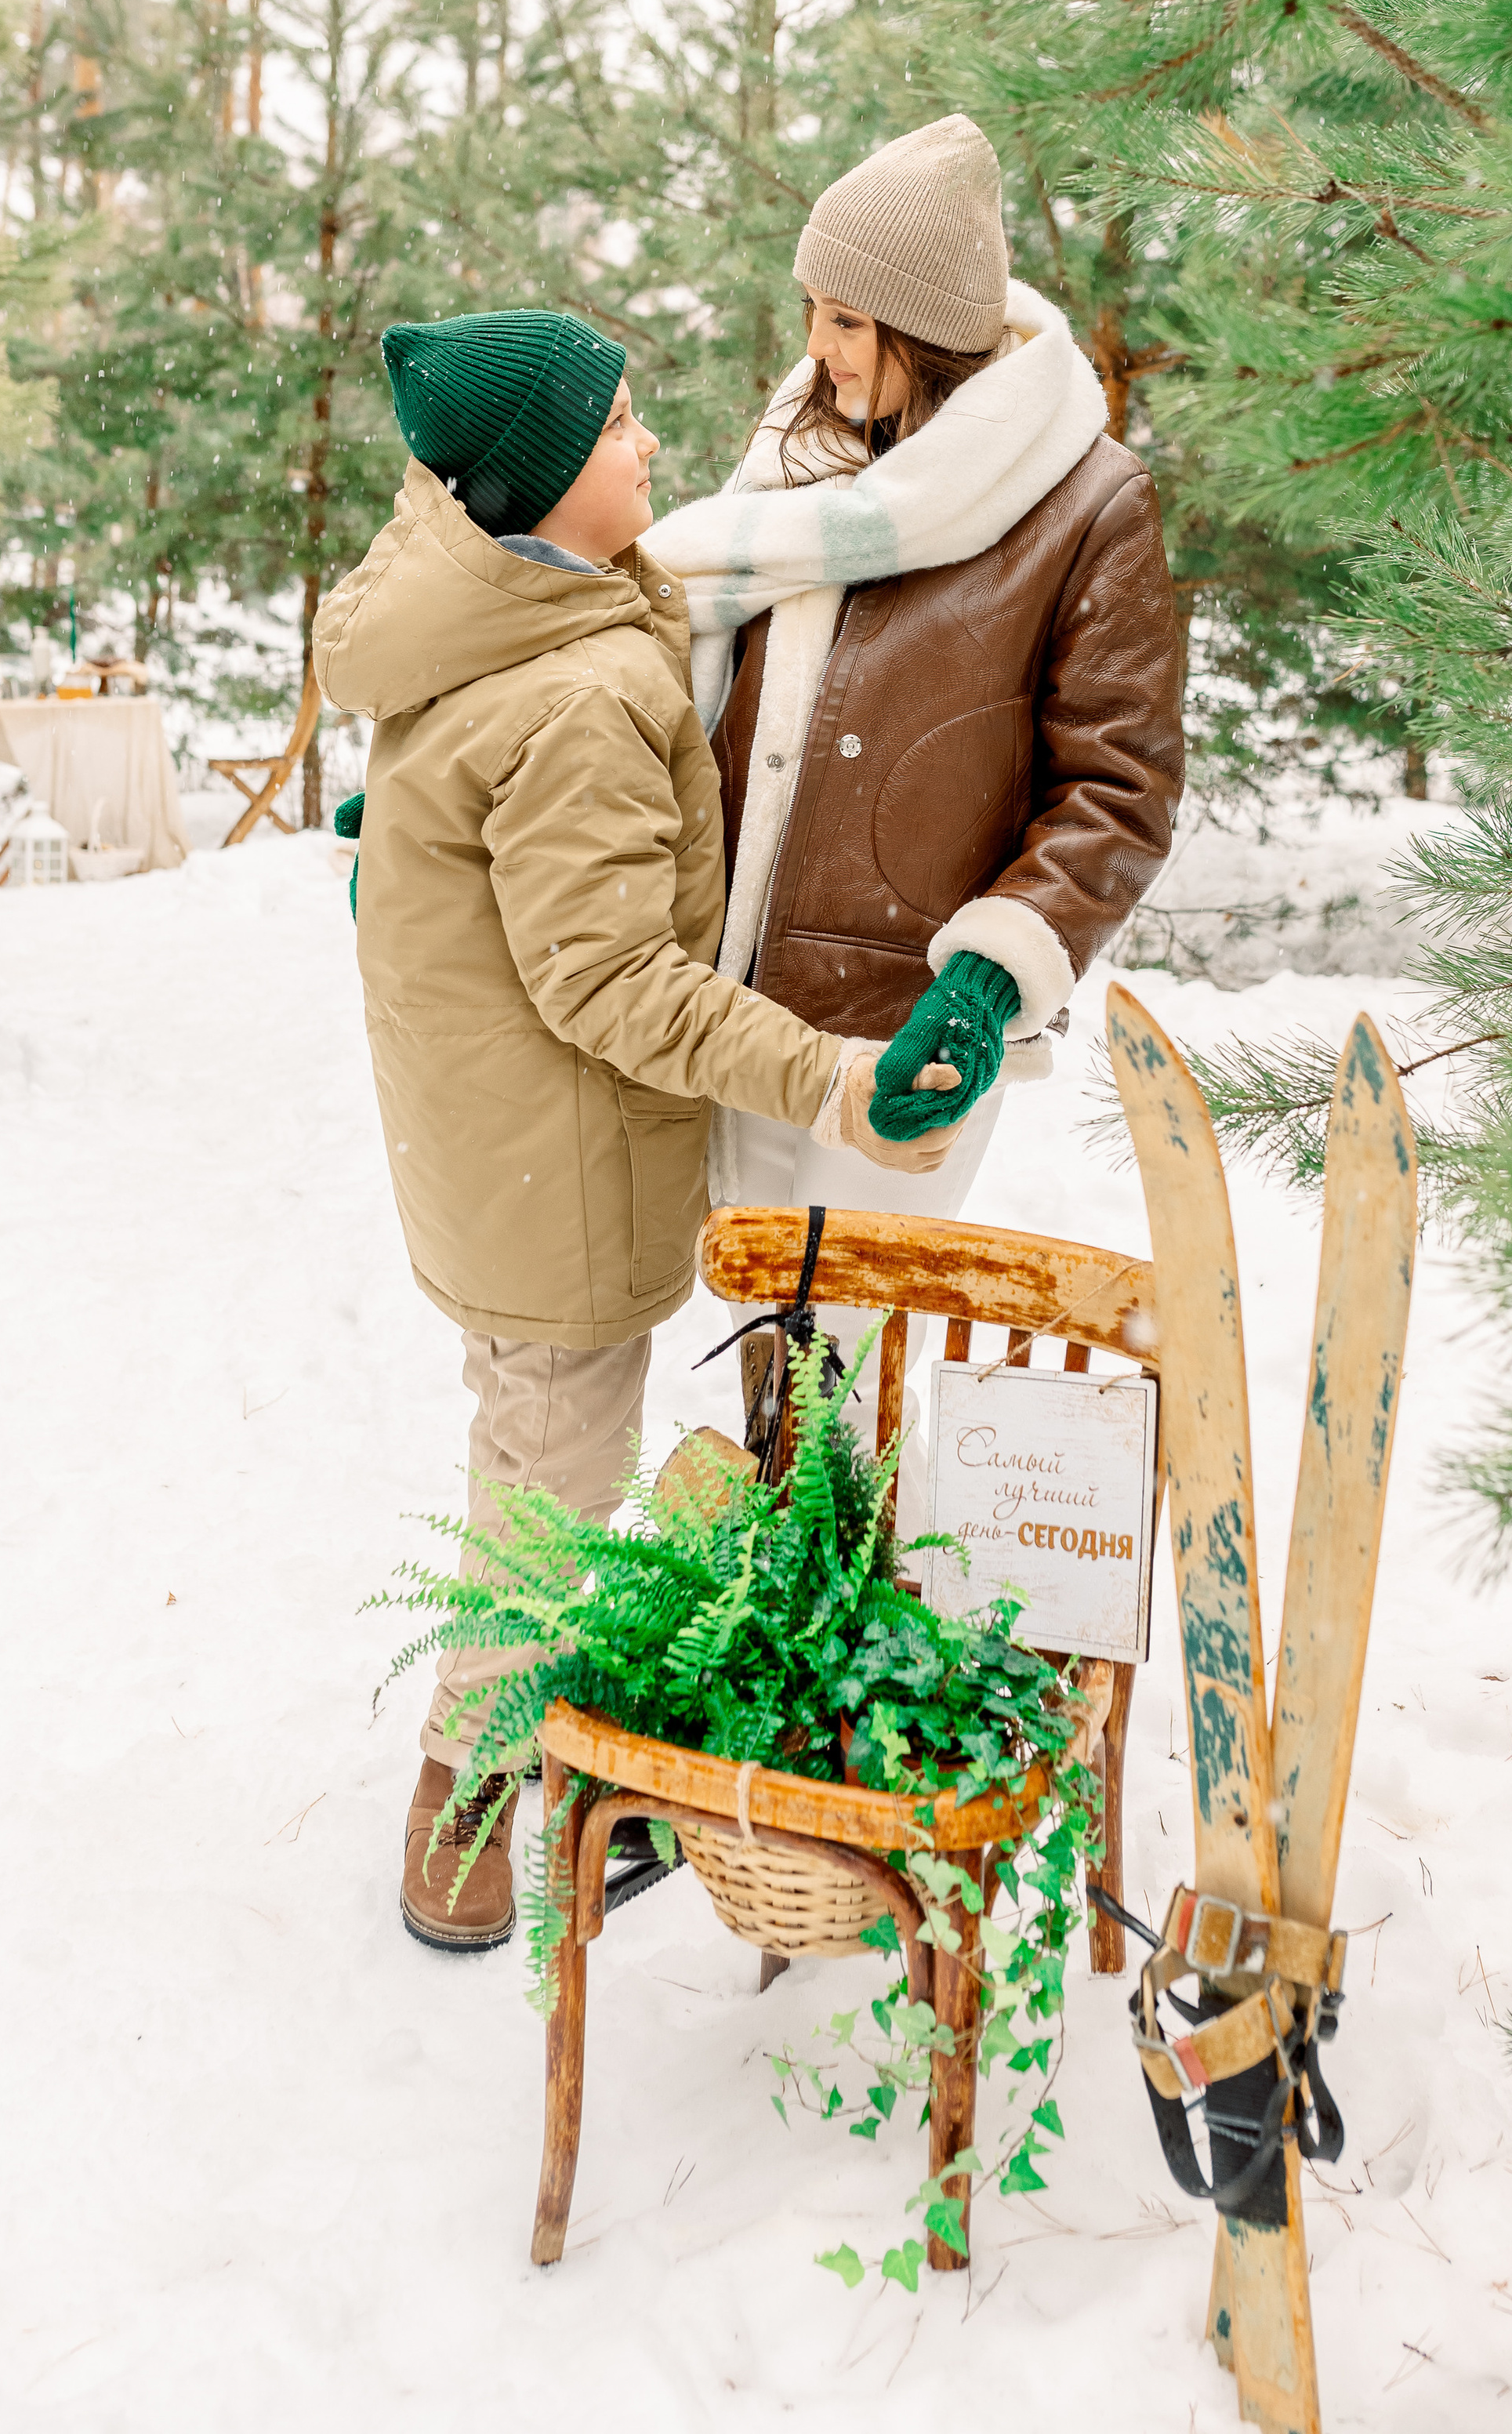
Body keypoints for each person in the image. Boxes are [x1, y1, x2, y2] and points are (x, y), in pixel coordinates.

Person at [314, 307, 961, 1953]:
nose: (651, 445)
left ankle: (513, 1760)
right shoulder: (582, 690)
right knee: (543, 1492)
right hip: (560, 1186)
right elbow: (616, 983)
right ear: (539, 486)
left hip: (495, 1157)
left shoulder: (490, 620)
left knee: (526, 1455)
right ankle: (462, 1827)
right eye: (616, 432)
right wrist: (826, 1079)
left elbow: (486, 836)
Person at [647, 114, 1185, 1526]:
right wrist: (494, 775)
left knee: (857, 1365)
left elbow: (1119, 783)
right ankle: (773, 1637)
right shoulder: (803, 468)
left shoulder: (1088, 508)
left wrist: (990, 974)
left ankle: (840, 1651)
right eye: (812, 312)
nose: (815, 351)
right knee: (768, 1350)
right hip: (749, 997)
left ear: (926, 331)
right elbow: (676, 666)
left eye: (843, 320)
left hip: (906, 1020)